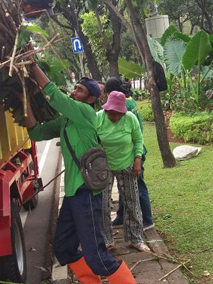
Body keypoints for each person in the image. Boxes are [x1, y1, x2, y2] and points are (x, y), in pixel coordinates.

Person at [24, 65, 136, 283]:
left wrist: (32, 64)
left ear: (90, 99)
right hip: (74, 194)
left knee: (98, 258)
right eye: (74, 88)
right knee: (63, 248)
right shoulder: (66, 120)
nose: (74, 92)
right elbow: (37, 131)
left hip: (86, 194)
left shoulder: (85, 113)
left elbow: (55, 97)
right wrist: (23, 100)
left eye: (79, 90)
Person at [97, 91, 150, 253]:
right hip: (104, 166)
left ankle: (135, 238)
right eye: (112, 114)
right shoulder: (98, 118)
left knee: (132, 202)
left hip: (127, 163)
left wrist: (137, 161)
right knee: (104, 205)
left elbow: (138, 139)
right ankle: (107, 240)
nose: (115, 117)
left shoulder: (130, 118)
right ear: (106, 110)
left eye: (119, 114)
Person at [104, 77, 154, 231]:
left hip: (133, 153)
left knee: (137, 187)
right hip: (130, 152)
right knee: (123, 187)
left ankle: (147, 219)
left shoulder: (124, 105)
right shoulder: (129, 100)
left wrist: (136, 157)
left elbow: (136, 134)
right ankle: (121, 215)